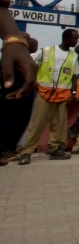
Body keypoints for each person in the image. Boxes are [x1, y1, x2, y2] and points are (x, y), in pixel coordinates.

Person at [15, 28, 79, 163]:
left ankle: (56, 150)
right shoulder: (47, 51)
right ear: (66, 38)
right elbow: (28, 62)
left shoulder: (74, 57)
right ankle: (26, 152)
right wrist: (32, 80)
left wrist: (73, 93)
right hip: (45, 93)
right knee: (37, 123)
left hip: (62, 95)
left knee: (59, 125)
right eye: (74, 38)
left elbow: (74, 76)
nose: (76, 41)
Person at [0, 15, 38, 166]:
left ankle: (9, 150)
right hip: (10, 95)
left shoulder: (28, 61)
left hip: (25, 95)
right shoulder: (9, 60)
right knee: (7, 122)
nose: (28, 42)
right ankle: (5, 152)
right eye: (25, 39)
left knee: (20, 122)